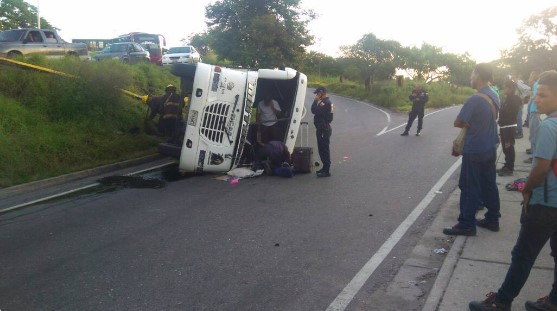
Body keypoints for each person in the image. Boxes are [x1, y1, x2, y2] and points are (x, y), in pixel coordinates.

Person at [468, 70, 557, 311]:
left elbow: (541, 167)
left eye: (543, 95)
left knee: (523, 255)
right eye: (536, 94)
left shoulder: (550, 126)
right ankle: (553, 301)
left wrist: (527, 190)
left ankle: (502, 301)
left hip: (545, 203)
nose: (536, 99)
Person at [443, 63, 501, 236]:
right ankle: (492, 219)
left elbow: (458, 122)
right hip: (490, 146)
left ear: (479, 76)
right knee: (489, 184)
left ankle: (466, 224)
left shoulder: (475, 99)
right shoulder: (494, 95)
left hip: (475, 148)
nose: (470, 77)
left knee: (469, 186)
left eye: (472, 74)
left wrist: (468, 122)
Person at [497, 79, 522, 176]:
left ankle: (509, 168)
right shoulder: (508, 98)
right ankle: (507, 165)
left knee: (509, 147)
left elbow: (509, 113)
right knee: (505, 148)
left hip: (509, 127)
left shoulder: (514, 99)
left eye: (505, 87)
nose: (503, 89)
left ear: (511, 89)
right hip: (504, 127)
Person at [311, 86, 333, 177]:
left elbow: (314, 110)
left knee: (324, 150)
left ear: (322, 92)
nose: (316, 95)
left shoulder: (325, 103)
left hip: (324, 129)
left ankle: (326, 170)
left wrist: (315, 100)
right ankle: (324, 168)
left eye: (317, 93)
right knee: (322, 149)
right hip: (322, 128)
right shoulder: (325, 102)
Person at [525, 69, 541, 164]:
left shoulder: (537, 84)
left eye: (531, 75)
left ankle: (534, 156)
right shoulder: (536, 84)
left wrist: (531, 95)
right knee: (533, 134)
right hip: (533, 111)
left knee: (534, 134)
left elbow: (537, 97)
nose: (530, 77)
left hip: (535, 112)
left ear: (536, 75)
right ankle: (533, 151)